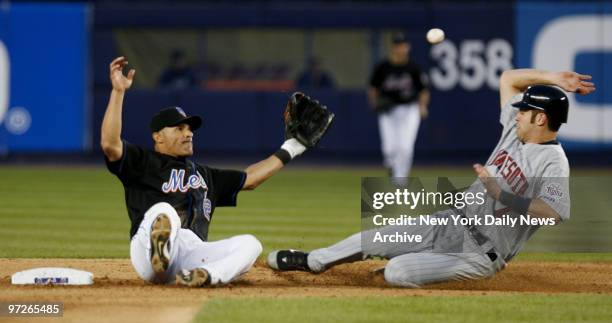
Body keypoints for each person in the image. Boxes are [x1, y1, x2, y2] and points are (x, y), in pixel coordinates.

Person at [267, 68, 595, 287]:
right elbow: (509, 77)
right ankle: (313, 260)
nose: (518, 112)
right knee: (375, 237)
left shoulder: (553, 162)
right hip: (450, 222)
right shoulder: (514, 131)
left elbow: (555, 213)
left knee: (396, 273)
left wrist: (503, 195)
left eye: (525, 110)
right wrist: (552, 78)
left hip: (480, 252)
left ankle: (412, 262)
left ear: (540, 118)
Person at [101, 56, 316, 287]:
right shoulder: (143, 162)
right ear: (158, 136)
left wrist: (293, 147)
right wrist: (118, 92)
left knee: (251, 244)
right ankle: (160, 256)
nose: (188, 133)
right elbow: (110, 145)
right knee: (165, 211)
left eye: (190, 129)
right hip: (145, 250)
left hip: (190, 255)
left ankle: (207, 275)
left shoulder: (205, 175)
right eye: (179, 128)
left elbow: (251, 178)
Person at [368, 32, 430, 180]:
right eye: (397, 45)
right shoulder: (383, 67)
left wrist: (422, 106)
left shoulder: (414, 68)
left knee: (405, 147)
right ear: (393, 48)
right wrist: (374, 103)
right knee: (389, 148)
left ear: (407, 47)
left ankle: (400, 179)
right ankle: (391, 164)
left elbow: (424, 90)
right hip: (388, 111)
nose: (400, 48)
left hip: (409, 109)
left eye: (403, 45)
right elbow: (373, 88)